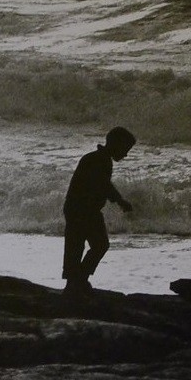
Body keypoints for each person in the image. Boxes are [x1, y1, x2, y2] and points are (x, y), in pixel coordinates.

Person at [62, 126, 136, 296]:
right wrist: (120, 201)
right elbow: (104, 185)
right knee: (98, 245)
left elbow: (102, 185)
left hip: (77, 208)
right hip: (83, 209)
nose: (125, 155)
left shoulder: (97, 158)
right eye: (125, 150)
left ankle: (74, 281)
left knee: (76, 245)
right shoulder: (100, 160)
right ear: (116, 145)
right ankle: (78, 280)